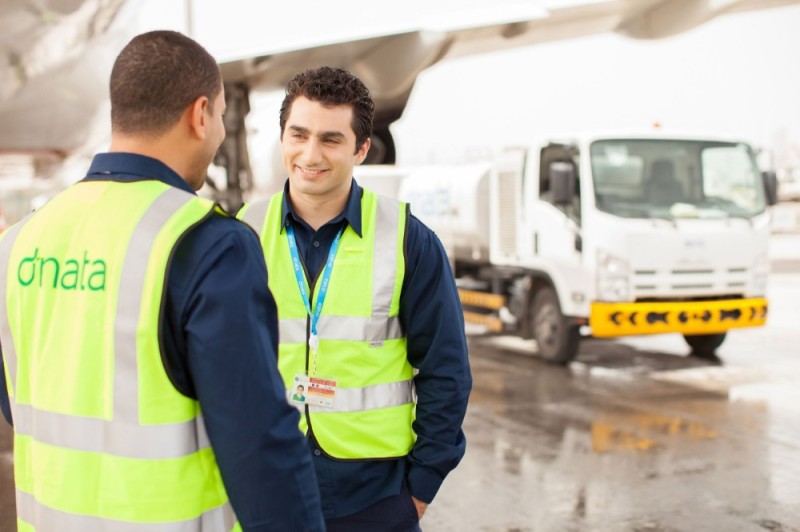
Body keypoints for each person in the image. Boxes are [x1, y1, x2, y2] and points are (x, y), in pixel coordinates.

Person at [0, 31, 324, 531]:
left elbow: (18, 397)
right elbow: (258, 444)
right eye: (219, 116)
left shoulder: (18, 243)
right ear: (199, 115)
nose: (218, 134)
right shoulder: (207, 243)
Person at [237, 66, 472, 531]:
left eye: (330, 139)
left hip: (374, 497)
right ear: (281, 137)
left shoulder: (408, 239)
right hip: (267, 487)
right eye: (298, 135)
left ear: (361, 148)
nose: (309, 154)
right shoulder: (243, 231)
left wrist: (419, 491)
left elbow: (447, 372)